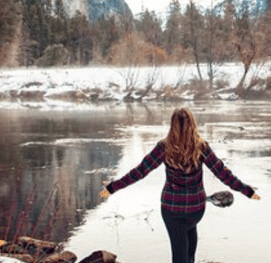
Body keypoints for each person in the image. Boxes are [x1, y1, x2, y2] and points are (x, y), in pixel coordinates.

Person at [99, 107, 261, 263]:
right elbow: (223, 173)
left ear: (172, 125)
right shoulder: (201, 147)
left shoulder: (164, 147)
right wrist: (247, 191)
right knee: (189, 251)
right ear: (192, 124)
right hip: (195, 210)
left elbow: (139, 172)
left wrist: (111, 188)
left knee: (179, 255)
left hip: (172, 210)